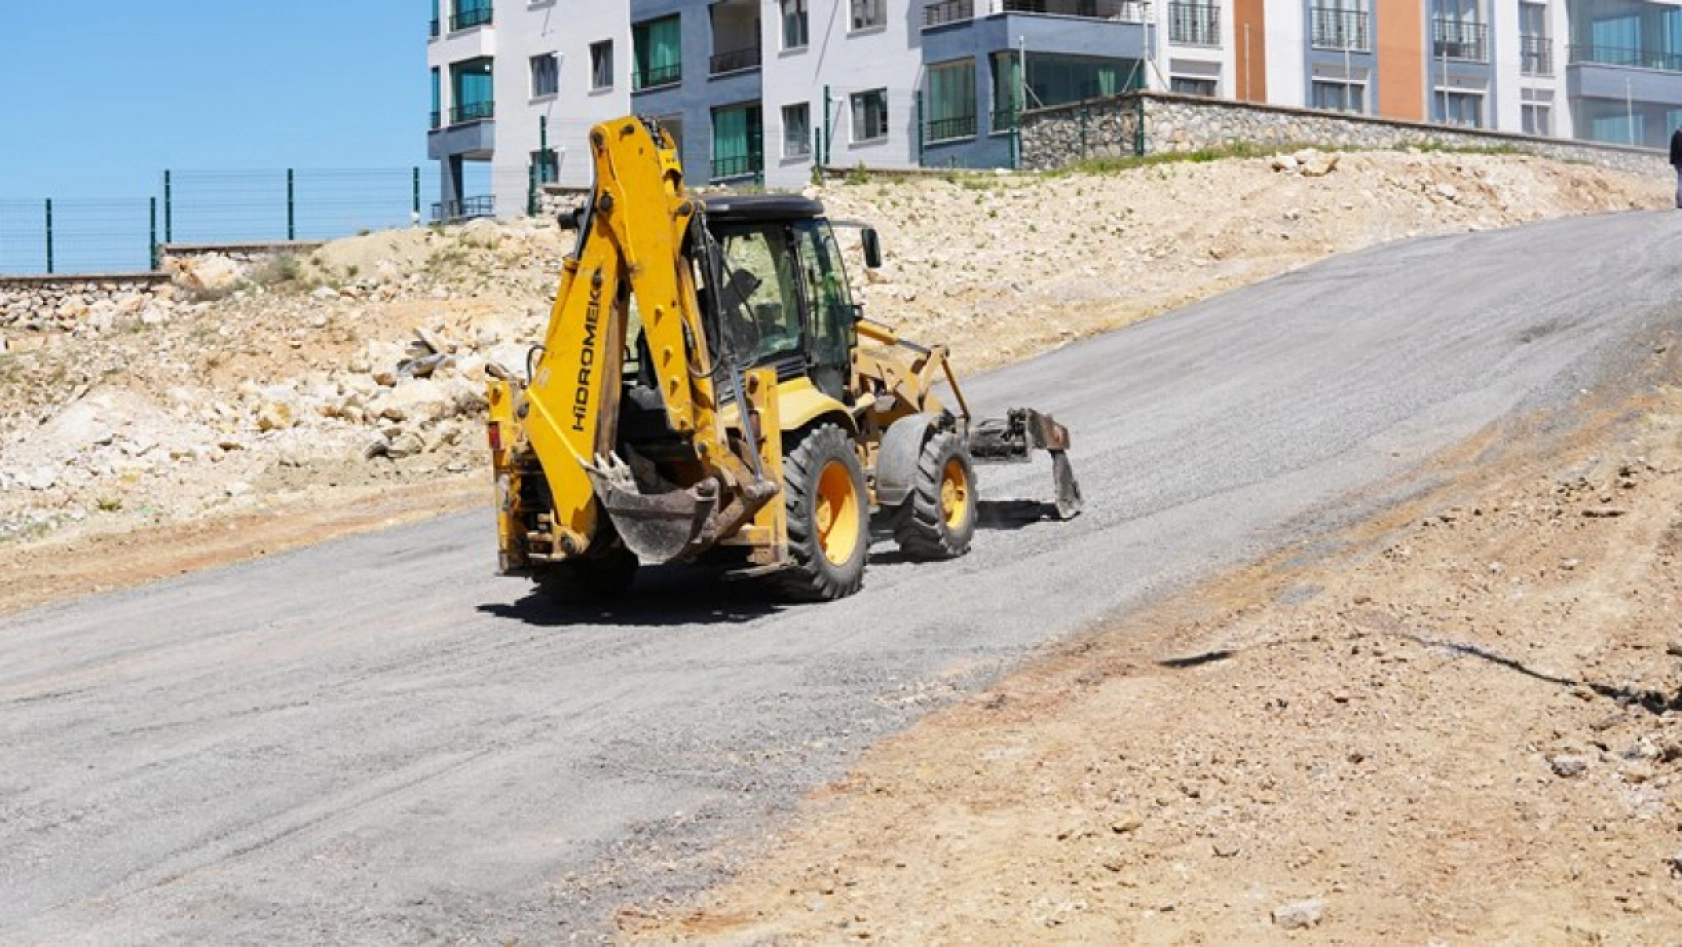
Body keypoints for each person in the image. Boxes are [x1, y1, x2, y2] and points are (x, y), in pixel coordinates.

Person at [1672, 123, 1682, 209]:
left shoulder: (1675, 135)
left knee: (1680, 181)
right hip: (1680, 162)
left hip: (1678, 163)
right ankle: (1680, 202)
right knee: (1681, 182)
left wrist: (1673, 163)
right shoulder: (1678, 135)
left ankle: (1679, 202)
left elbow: (1672, 150)